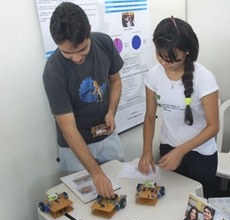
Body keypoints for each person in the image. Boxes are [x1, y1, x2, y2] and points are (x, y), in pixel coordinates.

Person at [43, 2, 125, 198]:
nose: (77, 58)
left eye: (82, 50)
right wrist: (95, 172)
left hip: (107, 136)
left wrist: (111, 111)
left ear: (89, 32)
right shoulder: (53, 72)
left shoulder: (104, 43)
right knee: (87, 204)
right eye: (68, 53)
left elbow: (115, 80)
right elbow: (68, 127)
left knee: (120, 191)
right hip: (74, 149)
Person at [138, 16, 219, 198]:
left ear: (187, 53)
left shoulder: (204, 79)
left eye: (172, 59)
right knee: (171, 202)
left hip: (200, 155)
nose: (164, 63)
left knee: (199, 209)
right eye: (160, 56)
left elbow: (214, 126)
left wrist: (181, 151)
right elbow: (150, 116)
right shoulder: (153, 76)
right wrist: (146, 151)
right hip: (169, 148)